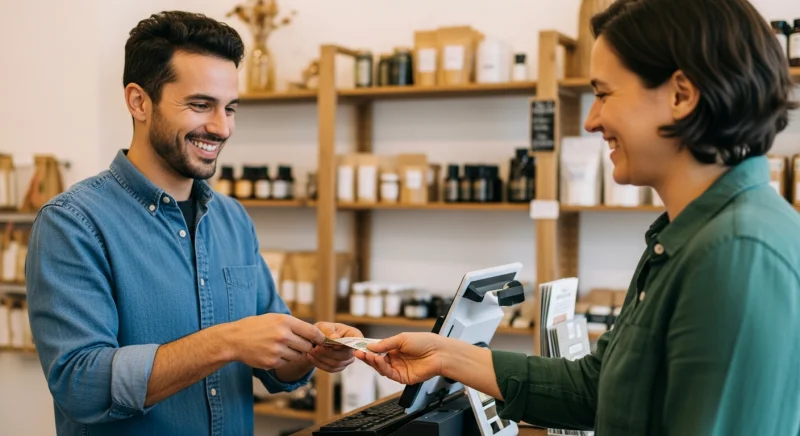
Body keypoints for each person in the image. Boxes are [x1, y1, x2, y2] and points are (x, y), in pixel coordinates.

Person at [357, 0, 800, 434]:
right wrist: (447, 356)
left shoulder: (735, 254)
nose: (591, 120)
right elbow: (598, 389)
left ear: (681, 95)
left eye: (604, 94)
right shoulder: (690, 237)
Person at [25, 11, 360, 436]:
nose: (221, 128)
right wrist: (227, 341)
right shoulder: (71, 224)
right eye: (201, 105)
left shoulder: (233, 219)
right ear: (138, 101)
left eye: (230, 108)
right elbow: (80, 385)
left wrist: (311, 349)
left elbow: (276, 364)